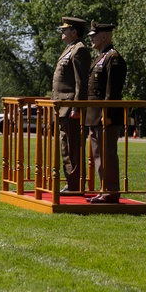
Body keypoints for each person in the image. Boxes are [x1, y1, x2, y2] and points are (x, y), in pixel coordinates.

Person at [84, 22, 127, 204]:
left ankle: (110, 191)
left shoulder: (113, 57)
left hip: (105, 116)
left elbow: (112, 91)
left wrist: (106, 113)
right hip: (94, 115)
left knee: (107, 154)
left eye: (94, 35)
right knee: (97, 154)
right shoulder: (100, 57)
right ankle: (104, 189)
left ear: (104, 36)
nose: (91, 38)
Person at [52, 17, 90, 194]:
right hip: (63, 108)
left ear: (74, 32)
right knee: (66, 146)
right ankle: (71, 183)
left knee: (73, 147)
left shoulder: (79, 50)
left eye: (65, 29)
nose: (62, 32)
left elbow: (80, 83)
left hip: (70, 108)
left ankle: (75, 185)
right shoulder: (70, 49)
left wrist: (77, 106)